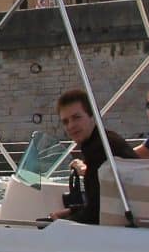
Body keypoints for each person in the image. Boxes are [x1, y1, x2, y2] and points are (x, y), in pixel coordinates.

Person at [55, 87, 141, 225]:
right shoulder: (104, 140)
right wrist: (70, 213)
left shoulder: (100, 149)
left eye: (76, 117)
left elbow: (95, 214)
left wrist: (58, 224)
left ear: (92, 116)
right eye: (65, 122)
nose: (71, 126)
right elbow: (101, 204)